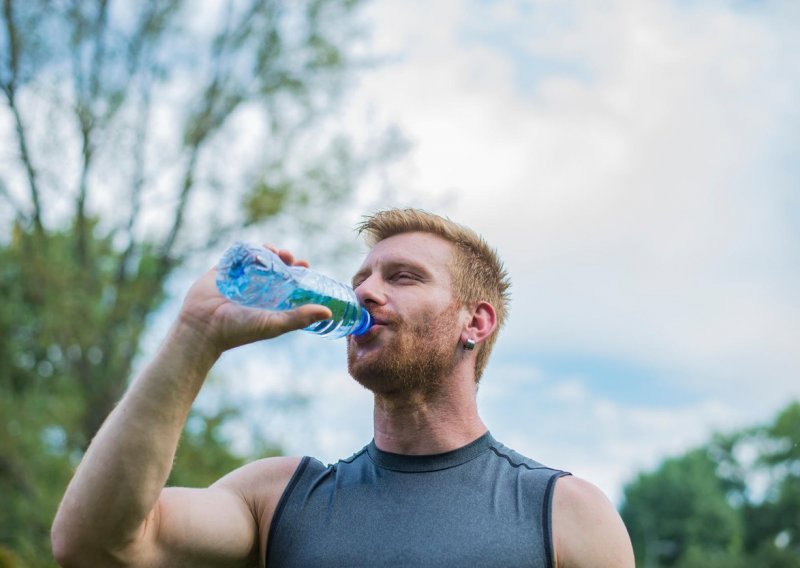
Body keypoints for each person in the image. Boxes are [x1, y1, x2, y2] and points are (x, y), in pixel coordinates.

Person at [52, 208, 634, 567]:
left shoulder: (563, 513)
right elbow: (96, 546)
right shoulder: (278, 498)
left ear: (474, 323)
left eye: (402, 277)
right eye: (361, 279)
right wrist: (194, 335)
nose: (366, 293)